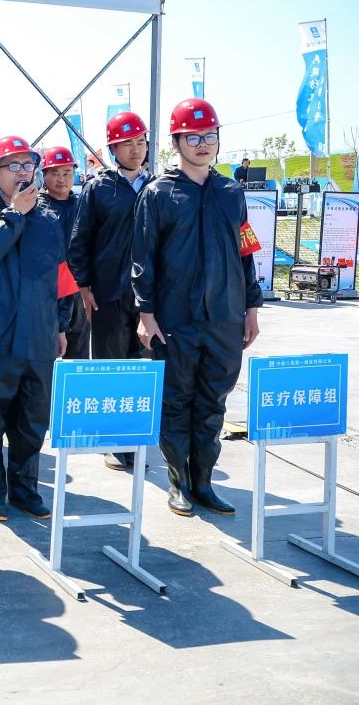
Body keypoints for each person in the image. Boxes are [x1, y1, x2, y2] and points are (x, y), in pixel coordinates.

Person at [133, 98, 262, 517]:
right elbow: (143, 257)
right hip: (176, 319)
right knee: (176, 402)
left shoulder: (231, 192)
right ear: (176, 143)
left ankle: (204, 483)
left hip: (224, 318)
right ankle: (178, 483)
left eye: (210, 136)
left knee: (212, 403)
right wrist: (146, 314)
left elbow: (246, 252)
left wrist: (251, 308)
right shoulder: (159, 193)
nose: (203, 144)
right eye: (193, 137)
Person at [0, 136, 76, 522]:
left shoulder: (48, 216)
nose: (23, 172)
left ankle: (26, 489)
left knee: (33, 420)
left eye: (28, 165)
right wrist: (13, 214)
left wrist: (61, 326)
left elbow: (61, 275)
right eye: (13, 166)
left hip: (39, 334)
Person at [68, 110, 153, 471]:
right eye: (127, 144)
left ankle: (137, 435)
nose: (136, 150)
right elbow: (80, 240)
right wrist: (84, 286)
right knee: (111, 365)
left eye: (140, 142)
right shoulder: (99, 188)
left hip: (150, 296)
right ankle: (112, 440)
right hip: (109, 292)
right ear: (113, 149)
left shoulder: (158, 187)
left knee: (144, 367)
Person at [39, 146, 90, 360]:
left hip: (79, 287)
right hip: (48, 288)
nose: (61, 179)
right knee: (47, 352)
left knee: (79, 350)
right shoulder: (35, 208)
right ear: (43, 175)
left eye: (67, 173)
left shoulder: (83, 205)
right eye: (55, 173)